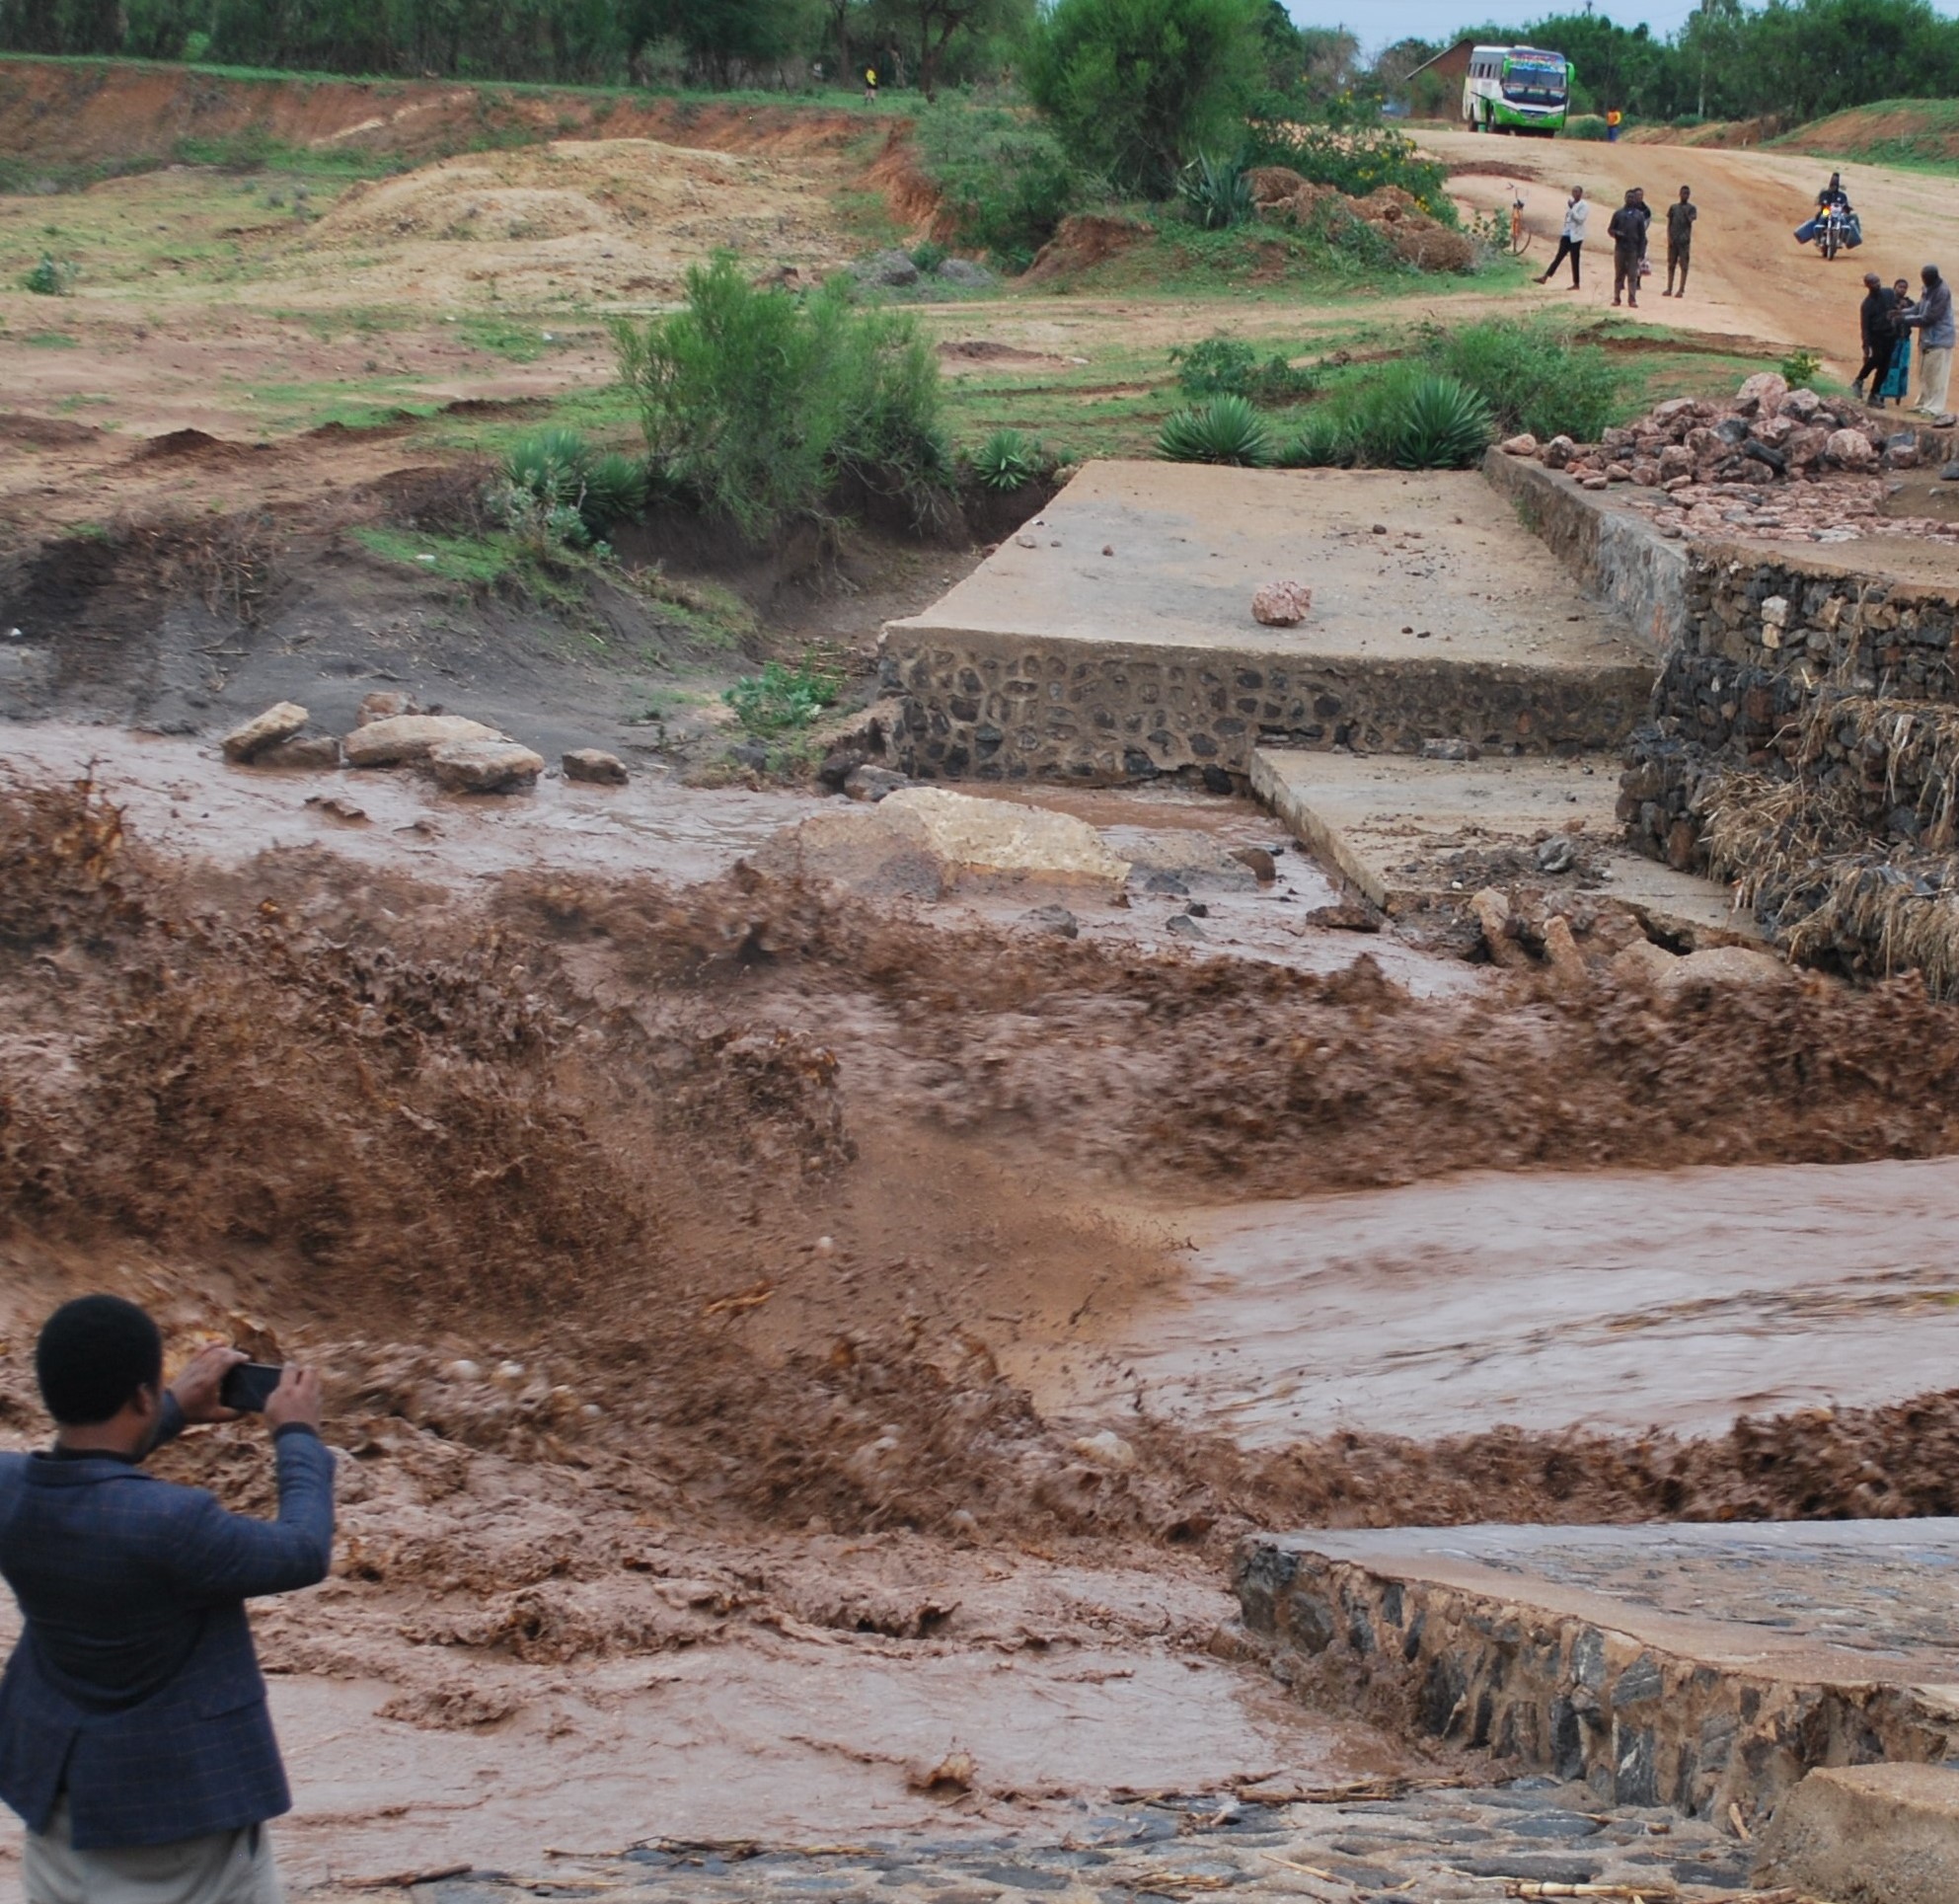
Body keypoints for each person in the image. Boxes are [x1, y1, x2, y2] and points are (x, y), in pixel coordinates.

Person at [0, 1296, 334, 1903]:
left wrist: (175, 1408)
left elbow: (85, 1468)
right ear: (140, 1396)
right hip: (179, 1828)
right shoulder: (176, 1524)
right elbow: (303, 1550)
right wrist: (297, 1438)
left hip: (62, 1816)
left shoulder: (10, 1491)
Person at [1897, 263, 1954, 419]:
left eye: (1927, 279)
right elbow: (1918, 308)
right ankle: (1923, 403)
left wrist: (1905, 320)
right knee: (1924, 373)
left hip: (1939, 339)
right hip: (1927, 339)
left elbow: (1930, 318)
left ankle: (1934, 407)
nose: (1924, 282)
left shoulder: (1942, 292)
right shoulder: (1927, 289)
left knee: (1937, 375)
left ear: (1934, 278)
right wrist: (1901, 313)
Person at [1853, 272, 1898, 401]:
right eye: (1873, 283)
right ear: (1867, 285)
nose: (1877, 284)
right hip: (1876, 337)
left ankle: (1874, 393)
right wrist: (1865, 346)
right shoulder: (1867, 304)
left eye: (1877, 281)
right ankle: (1859, 380)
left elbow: (1896, 308)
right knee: (1876, 358)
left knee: (1885, 365)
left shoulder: (1889, 293)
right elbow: (1865, 327)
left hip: (1890, 335)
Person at [1536, 186, 1588, 289]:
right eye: (1573, 191)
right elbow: (1568, 218)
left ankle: (1576, 283)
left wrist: (1572, 209)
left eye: (1577, 192)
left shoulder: (1584, 205)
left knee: (1575, 260)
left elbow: (1580, 220)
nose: (1574, 193)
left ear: (1581, 193)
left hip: (1576, 237)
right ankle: (1545, 277)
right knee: (1559, 257)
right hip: (1567, 234)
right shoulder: (1571, 203)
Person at [1608, 187, 1649, 308]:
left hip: (1633, 250)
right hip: (1620, 248)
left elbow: (1642, 236)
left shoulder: (1639, 216)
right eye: (1628, 197)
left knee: (1632, 275)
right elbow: (1610, 229)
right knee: (1619, 275)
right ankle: (1617, 298)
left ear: (1635, 200)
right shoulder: (1618, 214)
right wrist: (1616, 233)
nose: (1630, 199)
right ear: (1625, 198)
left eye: (1632, 197)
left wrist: (1641, 252)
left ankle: (1632, 299)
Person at [1878, 276, 1916, 407]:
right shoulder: (1889, 302)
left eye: (1905, 288)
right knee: (1888, 366)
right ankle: (1881, 394)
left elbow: (1915, 317)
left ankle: (1898, 395)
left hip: (1904, 340)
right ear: (1894, 287)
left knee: (1902, 368)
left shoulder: (1910, 303)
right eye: (1900, 287)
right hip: (1891, 340)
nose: (1902, 290)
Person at [1663, 186, 1696, 297]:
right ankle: (1669, 288)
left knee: (1684, 266)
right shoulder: (1673, 207)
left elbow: (1690, 220)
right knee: (1671, 265)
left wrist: (1685, 212)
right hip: (1673, 240)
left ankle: (1681, 289)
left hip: (1684, 241)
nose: (1685, 195)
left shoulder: (1691, 208)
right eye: (1683, 193)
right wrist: (1669, 237)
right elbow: (1669, 223)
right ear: (1679, 194)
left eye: (1687, 194)